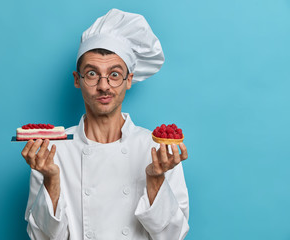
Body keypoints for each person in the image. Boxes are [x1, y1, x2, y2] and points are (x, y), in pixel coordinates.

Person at [21, 9, 189, 240]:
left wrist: (155, 180)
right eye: (92, 73)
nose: (103, 86)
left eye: (115, 74)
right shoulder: (51, 151)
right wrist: (51, 180)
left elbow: (174, 236)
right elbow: (42, 237)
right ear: (77, 80)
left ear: (129, 80)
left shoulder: (159, 151)